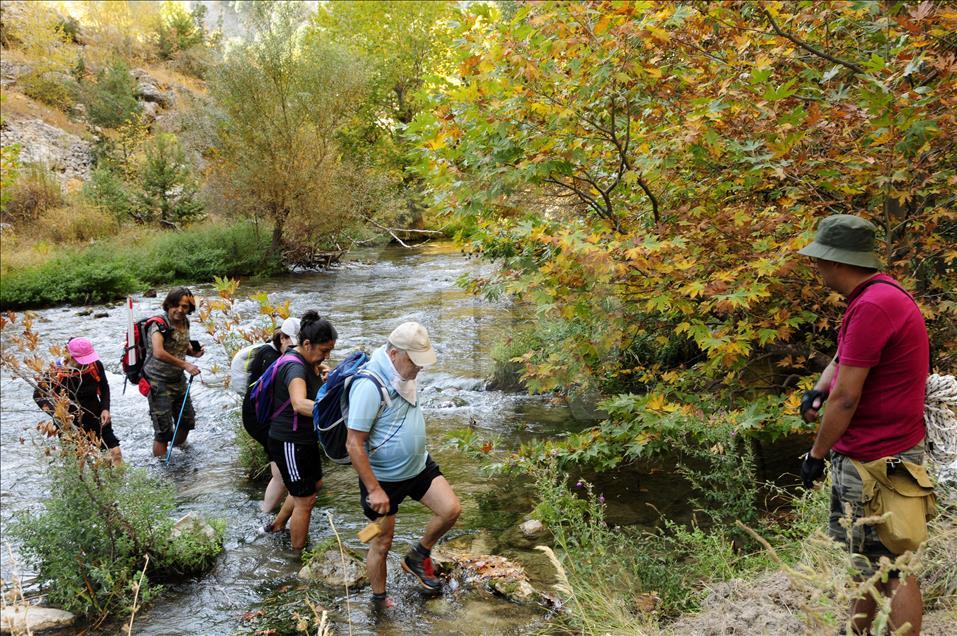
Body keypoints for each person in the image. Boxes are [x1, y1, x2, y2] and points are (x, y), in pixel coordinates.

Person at [797, 214, 929, 635]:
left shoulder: (872, 305)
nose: (816, 267)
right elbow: (843, 361)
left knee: (894, 567)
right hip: (883, 453)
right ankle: (855, 630)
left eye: (819, 260)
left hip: (876, 460)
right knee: (863, 559)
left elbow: (848, 396)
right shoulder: (877, 294)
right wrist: (818, 390)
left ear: (837, 262)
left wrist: (816, 454)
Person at [346, 322, 461, 605]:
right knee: (382, 543)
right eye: (415, 361)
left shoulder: (402, 373)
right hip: (383, 480)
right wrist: (374, 490)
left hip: (418, 467)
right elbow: (353, 443)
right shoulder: (369, 385)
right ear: (395, 353)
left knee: (450, 510)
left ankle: (417, 556)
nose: (420, 368)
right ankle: (379, 599)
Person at [263, 311, 336, 549]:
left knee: (313, 486)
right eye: (324, 350)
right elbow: (299, 404)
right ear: (306, 344)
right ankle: (296, 557)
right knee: (305, 500)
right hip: (289, 442)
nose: (327, 356)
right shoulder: (295, 368)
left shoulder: (304, 360)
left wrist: (321, 372)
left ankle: (277, 526)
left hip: (303, 439)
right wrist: (334, 412)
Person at [240, 317, 301, 513]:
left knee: (280, 472)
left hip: (267, 416)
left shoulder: (279, 354)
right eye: (293, 345)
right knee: (282, 473)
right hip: (259, 418)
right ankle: (270, 515)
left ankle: (267, 513)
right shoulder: (270, 356)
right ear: (282, 338)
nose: (296, 350)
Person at [34, 337, 123, 466]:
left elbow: (104, 387)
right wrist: (58, 414)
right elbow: (38, 396)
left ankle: (117, 484)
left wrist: (105, 408)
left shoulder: (95, 365)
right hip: (69, 423)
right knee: (77, 463)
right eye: (82, 360)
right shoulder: (56, 371)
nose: (84, 364)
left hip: (96, 416)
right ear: (70, 356)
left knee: (115, 454)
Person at [144, 287, 205, 459]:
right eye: (176, 305)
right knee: (163, 431)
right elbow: (158, 352)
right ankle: (163, 467)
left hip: (178, 380)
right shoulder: (159, 325)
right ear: (168, 304)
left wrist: (193, 353)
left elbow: (181, 345)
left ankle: (175, 455)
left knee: (186, 422)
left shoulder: (185, 322)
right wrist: (186, 364)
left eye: (185, 307)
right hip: (158, 382)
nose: (179, 310)